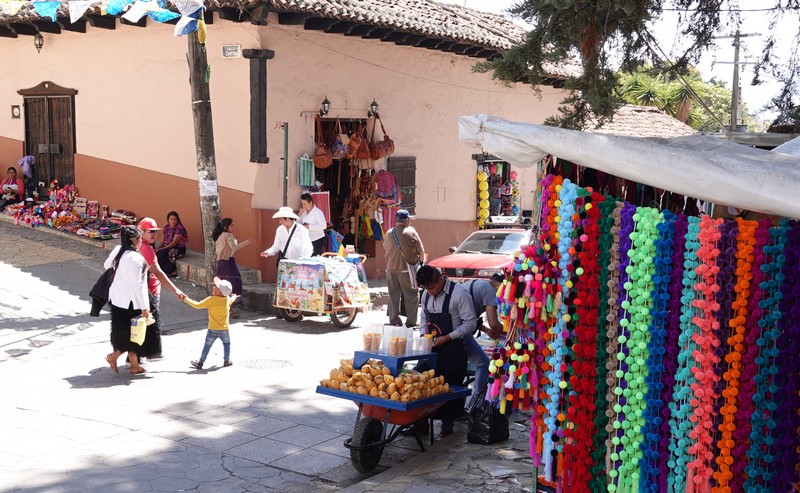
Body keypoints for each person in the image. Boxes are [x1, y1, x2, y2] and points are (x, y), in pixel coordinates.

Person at [416, 265, 476, 438]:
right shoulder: (426, 294)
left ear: (441, 279)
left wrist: (448, 337)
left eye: (432, 288)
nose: (430, 292)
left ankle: (447, 426)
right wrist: (423, 336)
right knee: (422, 382)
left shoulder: (459, 294)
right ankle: (420, 423)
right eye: (427, 289)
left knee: (449, 386)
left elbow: (471, 324)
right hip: (431, 349)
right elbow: (424, 318)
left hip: (453, 349)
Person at [103, 226, 151, 375]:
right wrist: (144, 307)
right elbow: (138, 285)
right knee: (133, 333)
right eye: (140, 238)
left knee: (126, 332)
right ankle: (114, 356)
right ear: (134, 240)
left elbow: (106, 265)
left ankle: (135, 365)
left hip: (117, 298)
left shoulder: (119, 250)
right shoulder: (135, 258)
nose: (141, 241)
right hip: (131, 301)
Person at [137, 217, 186, 359]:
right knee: (151, 324)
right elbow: (158, 272)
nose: (154, 234)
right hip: (150, 291)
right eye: (151, 231)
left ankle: (138, 355)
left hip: (143, 290)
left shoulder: (139, 246)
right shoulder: (146, 249)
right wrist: (175, 290)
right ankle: (151, 353)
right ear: (141, 232)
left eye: (155, 231)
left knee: (143, 323)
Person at [460, 273, 504, 410]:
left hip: (456, 329)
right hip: (462, 332)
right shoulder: (490, 291)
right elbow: (494, 323)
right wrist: (508, 333)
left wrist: (485, 330)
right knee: (484, 362)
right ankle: (476, 402)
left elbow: (470, 313)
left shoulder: (475, 283)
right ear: (500, 286)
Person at [384, 209, 425, 328]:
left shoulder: (389, 233)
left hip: (391, 269)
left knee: (393, 295)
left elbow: (386, 247)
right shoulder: (411, 232)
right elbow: (421, 251)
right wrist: (420, 261)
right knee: (411, 295)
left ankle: (394, 320)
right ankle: (411, 321)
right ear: (406, 220)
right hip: (406, 270)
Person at [185, 277, 237, 369]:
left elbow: (197, 305)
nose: (213, 287)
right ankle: (226, 360)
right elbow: (231, 300)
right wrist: (235, 296)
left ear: (219, 291)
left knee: (207, 346)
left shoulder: (211, 300)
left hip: (212, 329)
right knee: (227, 344)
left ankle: (200, 362)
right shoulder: (227, 299)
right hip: (224, 329)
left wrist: (185, 299)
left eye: (215, 286)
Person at [213, 218, 252, 319]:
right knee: (232, 284)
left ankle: (226, 308)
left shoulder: (219, 236)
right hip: (228, 262)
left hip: (221, 262)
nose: (233, 227)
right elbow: (234, 248)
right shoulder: (227, 235)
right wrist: (247, 242)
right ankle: (230, 309)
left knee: (224, 285)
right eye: (231, 225)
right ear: (226, 227)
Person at [155, 211, 188, 278]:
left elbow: (174, 242)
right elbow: (162, 241)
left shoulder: (180, 228)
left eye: (175, 219)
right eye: (171, 219)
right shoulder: (166, 228)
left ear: (177, 219)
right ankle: (161, 270)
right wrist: (157, 248)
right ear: (168, 220)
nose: (173, 221)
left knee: (163, 253)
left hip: (178, 248)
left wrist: (162, 249)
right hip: (167, 246)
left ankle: (172, 271)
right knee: (157, 252)